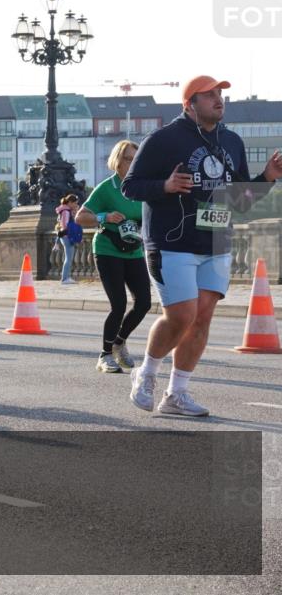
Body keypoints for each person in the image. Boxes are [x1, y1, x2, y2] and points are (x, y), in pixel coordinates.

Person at [123, 75, 282, 416]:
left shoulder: (233, 142)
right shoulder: (163, 139)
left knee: (202, 318)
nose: (218, 99)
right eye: (209, 94)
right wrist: (164, 185)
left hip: (216, 240)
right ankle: (146, 373)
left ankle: (176, 394)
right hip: (171, 240)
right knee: (182, 315)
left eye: (221, 93)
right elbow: (130, 187)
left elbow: (240, 201)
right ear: (190, 103)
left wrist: (266, 177)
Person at [75, 141, 151, 374]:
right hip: (108, 250)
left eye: (136, 159)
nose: (132, 163)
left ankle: (119, 342)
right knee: (118, 305)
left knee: (144, 303)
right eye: (128, 159)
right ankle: (105, 355)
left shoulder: (142, 188)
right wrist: (104, 216)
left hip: (134, 250)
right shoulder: (107, 188)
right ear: (117, 162)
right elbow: (80, 217)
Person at [55, 195, 81, 284]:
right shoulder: (66, 211)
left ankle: (66, 277)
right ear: (70, 202)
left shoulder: (64, 210)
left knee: (68, 257)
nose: (75, 205)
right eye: (75, 203)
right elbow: (65, 225)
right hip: (67, 236)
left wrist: (76, 210)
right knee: (69, 258)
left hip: (64, 236)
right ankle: (65, 278)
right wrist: (69, 232)